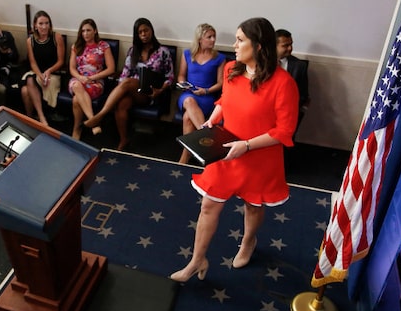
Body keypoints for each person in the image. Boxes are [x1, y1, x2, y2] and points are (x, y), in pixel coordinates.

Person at [169, 17, 299, 283]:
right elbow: (224, 101)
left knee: (252, 206)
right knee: (208, 205)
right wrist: (212, 120)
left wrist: (248, 145)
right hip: (226, 148)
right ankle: (197, 260)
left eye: (240, 40)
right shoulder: (231, 69)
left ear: (260, 46)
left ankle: (248, 241)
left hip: (259, 155)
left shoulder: (283, 83)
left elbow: (284, 131)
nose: (234, 44)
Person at [84, 18, 174, 150]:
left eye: (146, 31)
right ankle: (124, 139)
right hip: (132, 91)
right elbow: (125, 73)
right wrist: (120, 93)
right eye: (140, 32)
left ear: (151, 31)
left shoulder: (163, 52)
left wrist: (160, 90)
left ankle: (100, 115)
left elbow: (170, 77)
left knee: (127, 82)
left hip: (151, 93)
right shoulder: (133, 51)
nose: (143, 34)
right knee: (121, 104)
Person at [176, 23, 227, 164]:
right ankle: (207, 138)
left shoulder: (220, 57)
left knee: (187, 117)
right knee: (189, 101)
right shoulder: (187, 54)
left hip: (207, 96)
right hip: (188, 94)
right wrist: (183, 85)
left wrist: (206, 90)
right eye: (209, 37)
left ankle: (185, 156)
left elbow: (221, 83)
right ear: (200, 39)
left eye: (214, 37)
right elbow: (181, 75)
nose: (213, 40)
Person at [67, 18, 115, 140]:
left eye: (88, 30)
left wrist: (92, 78)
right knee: (77, 86)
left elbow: (111, 69)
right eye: (83, 31)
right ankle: (93, 121)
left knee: (76, 100)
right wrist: (80, 77)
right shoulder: (76, 46)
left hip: (96, 81)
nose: (85, 33)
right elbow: (72, 68)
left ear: (95, 31)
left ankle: (76, 129)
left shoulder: (103, 46)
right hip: (78, 79)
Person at [21, 11, 66, 126]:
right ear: (35, 25)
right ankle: (37, 117)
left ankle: (34, 118)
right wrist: (40, 74)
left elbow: (61, 61)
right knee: (27, 85)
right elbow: (33, 63)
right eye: (41, 23)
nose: (44, 26)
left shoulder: (57, 37)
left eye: (47, 23)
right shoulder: (30, 41)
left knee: (26, 90)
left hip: (53, 72)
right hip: (36, 72)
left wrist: (48, 71)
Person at [275, 29, 310, 131]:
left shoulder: (300, 66)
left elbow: (303, 93)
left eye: (291, 44)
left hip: (289, 114)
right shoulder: (262, 64)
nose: (290, 48)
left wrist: (300, 111)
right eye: (285, 45)